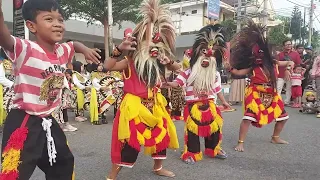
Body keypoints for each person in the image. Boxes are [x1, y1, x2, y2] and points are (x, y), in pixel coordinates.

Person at [0, 0, 101, 179]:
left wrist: (84, 48)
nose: (57, 24)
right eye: (49, 19)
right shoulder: (25, 49)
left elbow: (74, 45)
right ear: (31, 26)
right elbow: (4, 37)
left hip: (47, 120)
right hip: (24, 121)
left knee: (63, 162)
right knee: (14, 173)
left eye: (60, 20)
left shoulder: (62, 51)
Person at [104, 0, 180, 179]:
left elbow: (177, 68)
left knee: (162, 137)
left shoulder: (159, 62)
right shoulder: (128, 62)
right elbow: (107, 66)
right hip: (133, 107)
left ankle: (158, 167)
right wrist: (118, 50)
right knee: (128, 143)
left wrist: (168, 61)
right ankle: (112, 175)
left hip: (155, 104)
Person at [225, 20, 294, 152]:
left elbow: (290, 62)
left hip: (272, 94)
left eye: (262, 54)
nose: (259, 57)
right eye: (257, 54)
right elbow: (237, 72)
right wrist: (229, 68)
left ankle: (275, 137)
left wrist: (288, 69)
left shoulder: (274, 63)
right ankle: (240, 142)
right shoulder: (253, 67)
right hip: (255, 93)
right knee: (247, 118)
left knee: (283, 117)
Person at [165, 24, 230, 164]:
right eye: (204, 52)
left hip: (211, 104)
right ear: (198, 53)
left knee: (215, 128)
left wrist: (224, 102)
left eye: (211, 53)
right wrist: (167, 84)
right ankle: (191, 153)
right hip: (192, 106)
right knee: (192, 131)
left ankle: (214, 149)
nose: (207, 56)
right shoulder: (188, 72)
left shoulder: (215, 74)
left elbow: (218, 90)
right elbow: (177, 82)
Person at [277, 39, 301, 105]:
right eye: (287, 44)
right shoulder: (280, 55)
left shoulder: (295, 54)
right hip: (280, 74)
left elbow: (298, 64)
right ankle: (278, 101)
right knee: (278, 88)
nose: (289, 46)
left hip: (291, 74)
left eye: (290, 44)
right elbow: (276, 64)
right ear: (283, 46)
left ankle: (287, 102)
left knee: (289, 88)